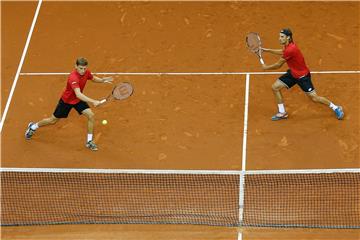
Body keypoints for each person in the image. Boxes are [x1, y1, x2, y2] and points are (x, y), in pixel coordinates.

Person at [25, 57, 112, 151]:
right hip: (67, 101)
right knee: (52, 121)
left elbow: (92, 78)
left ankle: (89, 142)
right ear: (76, 66)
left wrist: (102, 80)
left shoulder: (86, 72)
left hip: (78, 101)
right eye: (80, 68)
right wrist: (93, 101)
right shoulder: (73, 77)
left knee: (91, 115)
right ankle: (33, 127)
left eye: (84, 68)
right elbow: (78, 94)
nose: (83, 71)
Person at [260, 28, 344, 121]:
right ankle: (282, 112)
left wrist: (265, 67)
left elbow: (278, 65)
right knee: (275, 87)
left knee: (314, 98)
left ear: (288, 37)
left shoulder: (290, 49)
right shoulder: (288, 46)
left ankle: (336, 108)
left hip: (302, 77)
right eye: (279, 36)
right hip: (293, 73)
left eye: (282, 37)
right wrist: (266, 50)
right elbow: (282, 52)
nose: (279, 38)